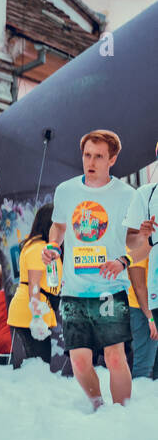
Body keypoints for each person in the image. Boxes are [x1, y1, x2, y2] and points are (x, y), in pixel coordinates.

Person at [43, 129, 137, 409]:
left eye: (98, 156)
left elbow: (137, 239)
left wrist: (123, 260)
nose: (91, 161)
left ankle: (123, 415)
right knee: (79, 361)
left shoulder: (127, 195)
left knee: (115, 357)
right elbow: (59, 227)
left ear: (113, 159)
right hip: (73, 290)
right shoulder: (66, 191)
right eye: (87, 155)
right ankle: (98, 407)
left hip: (111, 287)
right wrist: (52, 245)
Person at [8, 203, 59, 370]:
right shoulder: (39, 248)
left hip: (34, 310)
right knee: (39, 366)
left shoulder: (41, 246)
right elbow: (34, 286)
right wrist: (37, 319)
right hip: (30, 312)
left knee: (38, 365)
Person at [123, 143, 158, 379]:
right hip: (147, 302)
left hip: (147, 304)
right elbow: (137, 278)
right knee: (145, 366)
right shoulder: (145, 196)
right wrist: (149, 316)